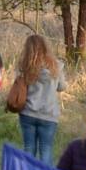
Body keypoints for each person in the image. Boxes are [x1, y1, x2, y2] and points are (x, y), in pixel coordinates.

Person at [11, 34, 67, 163]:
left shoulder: (24, 66)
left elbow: (18, 86)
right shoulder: (56, 66)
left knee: (29, 148)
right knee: (46, 149)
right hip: (49, 114)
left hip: (28, 112)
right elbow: (61, 87)